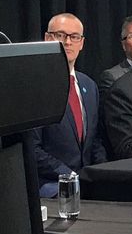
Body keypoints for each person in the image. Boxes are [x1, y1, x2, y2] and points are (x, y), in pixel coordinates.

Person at [33, 13, 107, 197]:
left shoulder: (89, 85)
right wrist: (69, 176)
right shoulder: (34, 86)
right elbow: (32, 148)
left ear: (81, 43)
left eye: (74, 37)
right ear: (47, 38)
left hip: (87, 183)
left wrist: (103, 171)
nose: (67, 42)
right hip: (50, 186)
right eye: (60, 35)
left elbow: (95, 139)